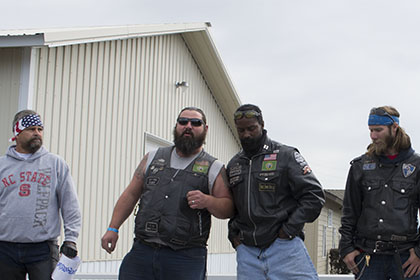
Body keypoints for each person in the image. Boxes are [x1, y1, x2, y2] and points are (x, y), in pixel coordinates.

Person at [101, 107, 234, 280]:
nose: (188, 126)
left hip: (186, 257)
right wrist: (113, 228)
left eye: (195, 123)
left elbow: (228, 208)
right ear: (176, 125)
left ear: (205, 129)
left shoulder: (214, 167)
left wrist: (208, 201)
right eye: (183, 121)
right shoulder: (152, 157)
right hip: (142, 251)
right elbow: (131, 194)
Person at [226, 104, 325, 280]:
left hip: (284, 247)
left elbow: (314, 196)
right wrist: (234, 236)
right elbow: (232, 205)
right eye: (241, 130)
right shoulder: (234, 164)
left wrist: (288, 229)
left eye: (251, 128)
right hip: (247, 252)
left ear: (262, 124)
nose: (246, 134)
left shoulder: (286, 155)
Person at [339, 106, 420, 280]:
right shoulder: (360, 166)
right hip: (368, 258)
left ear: (394, 128)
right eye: (370, 130)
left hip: (407, 259)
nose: (373, 136)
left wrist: (419, 252)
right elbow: (349, 212)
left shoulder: (417, 166)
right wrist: (346, 248)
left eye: (378, 130)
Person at [0, 109, 81, 280]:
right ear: (17, 132)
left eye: (40, 129)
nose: (37, 133)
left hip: (43, 249)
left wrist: (71, 238)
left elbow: (70, 204)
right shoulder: (2, 166)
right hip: (5, 248)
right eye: (31, 129)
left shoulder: (55, 164)